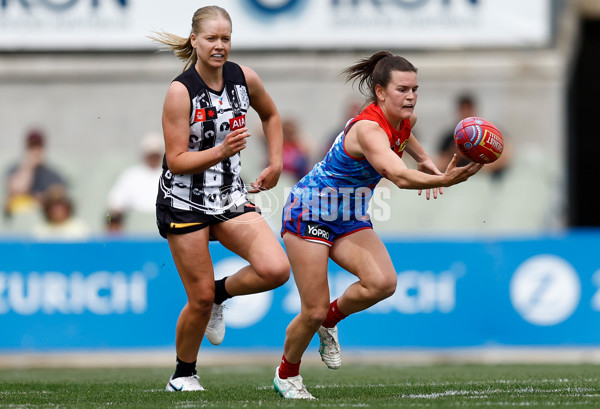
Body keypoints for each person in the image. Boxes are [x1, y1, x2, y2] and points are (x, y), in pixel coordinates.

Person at [274, 51, 483, 400]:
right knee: (310, 309)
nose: (411, 96)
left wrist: (428, 161)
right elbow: (399, 178)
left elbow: (406, 137)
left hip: (350, 215)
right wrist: (446, 179)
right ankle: (287, 374)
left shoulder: (404, 118)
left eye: (415, 89)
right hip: (308, 213)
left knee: (383, 282)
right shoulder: (368, 130)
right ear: (381, 92)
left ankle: (330, 320)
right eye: (403, 89)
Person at [150, 5, 290, 392]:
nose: (219, 45)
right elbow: (177, 161)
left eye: (225, 38)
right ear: (194, 40)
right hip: (184, 202)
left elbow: (272, 115)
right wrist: (222, 150)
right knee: (196, 298)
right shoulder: (181, 92)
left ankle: (219, 295)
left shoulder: (244, 78)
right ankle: (183, 374)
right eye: (211, 38)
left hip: (230, 198)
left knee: (276, 269)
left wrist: (275, 162)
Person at [435, 93, 511, 181]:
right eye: (463, 109)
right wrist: (457, 154)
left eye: (468, 109)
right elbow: (439, 164)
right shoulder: (449, 137)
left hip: (486, 181)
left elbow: (506, 156)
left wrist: (480, 166)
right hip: (458, 184)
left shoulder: (490, 133)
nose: (466, 113)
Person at [105, 132, 164, 234]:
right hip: (134, 230)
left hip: (164, 227)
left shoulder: (169, 175)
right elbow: (114, 206)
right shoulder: (130, 176)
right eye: (151, 154)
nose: (153, 157)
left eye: (156, 154)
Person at [4, 129, 67, 220]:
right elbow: (17, 189)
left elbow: (59, 197)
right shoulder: (15, 169)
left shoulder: (53, 174)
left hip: (43, 220)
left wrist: (43, 198)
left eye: (38, 147)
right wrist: (29, 166)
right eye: (32, 147)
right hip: (19, 220)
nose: (35, 151)